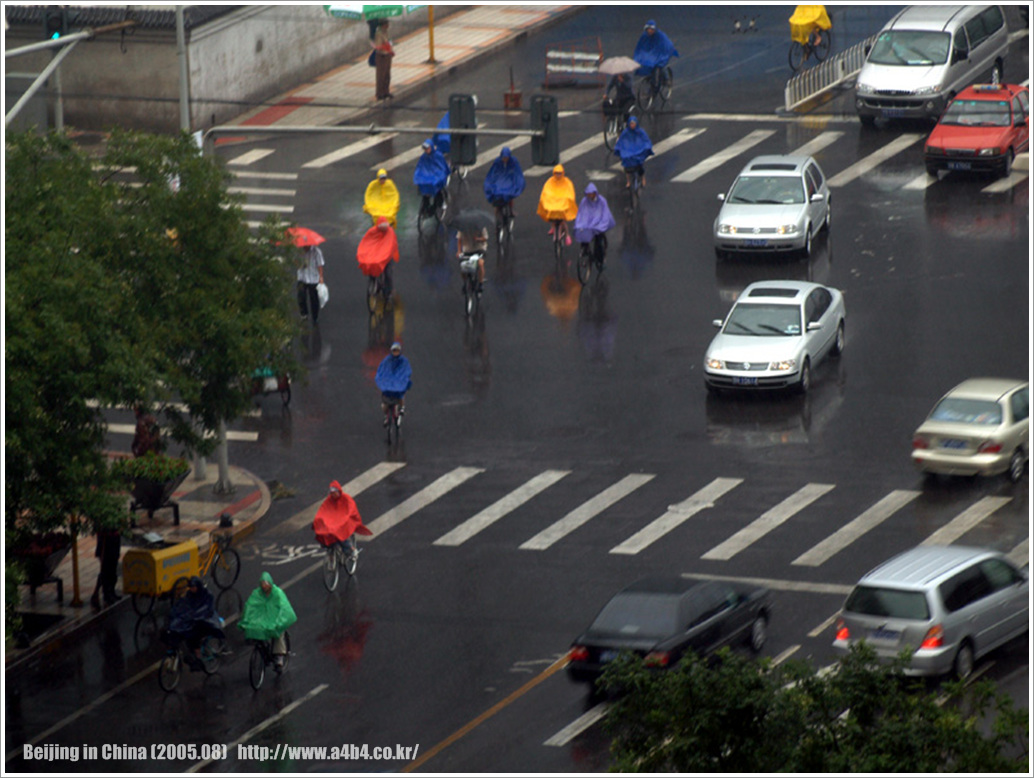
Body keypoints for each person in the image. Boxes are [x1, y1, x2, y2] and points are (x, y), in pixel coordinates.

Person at [164, 577, 225, 670]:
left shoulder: (207, 595)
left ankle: (198, 657)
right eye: (191, 587)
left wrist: (196, 615)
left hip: (205, 621)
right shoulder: (190, 595)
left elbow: (206, 609)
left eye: (193, 587)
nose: (192, 589)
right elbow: (184, 604)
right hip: (193, 620)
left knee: (194, 638)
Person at [239, 571, 297, 670]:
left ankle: (279, 658)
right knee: (255, 629)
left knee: (278, 633)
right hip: (262, 619)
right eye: (263, 584)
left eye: (266, 583)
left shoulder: (277, 593)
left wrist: (279, 621)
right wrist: (246, 620)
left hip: (275, 619)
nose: (264, 586)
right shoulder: (257, 594)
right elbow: (250, 606)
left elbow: (283, 608)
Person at [313, 480, 369, 559]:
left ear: (339, 491)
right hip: (335, 520)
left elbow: (351, 509)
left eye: (335, 492)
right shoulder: (329, 500)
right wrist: (318, 519)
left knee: (340, 534)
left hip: (347, 520)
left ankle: (352, 549)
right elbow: (323, 510)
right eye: (331, 493)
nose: (333, 494)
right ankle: (332, 549)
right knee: (324, 533)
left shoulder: (346, 499)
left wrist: (344, 518)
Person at [573, 183, 617, 266]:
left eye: (590, 194)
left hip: (598, 223)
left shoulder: (602, 201)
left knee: (598, 241)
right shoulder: (584, 201)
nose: (589, 196)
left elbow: (604, 214)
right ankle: (585, 250)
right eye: (588, 194)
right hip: (588, 224)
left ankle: (600, 259)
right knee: (583, 234)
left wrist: (600, 225)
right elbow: (581, 214)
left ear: (595, 193)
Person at [357, 216, 399, 298]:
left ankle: (388, 291)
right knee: (371, 265)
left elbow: (391, 245)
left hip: (387, 256)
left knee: (388, 273)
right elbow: (367, 243)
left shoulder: (390, 233)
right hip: (376, 255)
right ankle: (373, 279)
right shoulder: (372, 232)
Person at [536, 164, 578, 246]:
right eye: (556, 173)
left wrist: (567, 200)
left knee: (562, 220)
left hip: (562, 204)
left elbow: (570, 193)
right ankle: (553, 227)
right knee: (552, 214)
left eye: (559, 173)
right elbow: (546, 192)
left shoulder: (567, 182)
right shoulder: (550, 181)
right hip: (554, 202)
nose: (558, 175)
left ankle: (567, 235)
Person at [633, 20, 679, 92]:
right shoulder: (645, 36)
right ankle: (653, 82)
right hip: (653, 52)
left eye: (651, 30)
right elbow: (641, 47)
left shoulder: (660, 36)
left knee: (658, 65)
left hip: (662, 52)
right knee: (648, 64)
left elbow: (664, 46)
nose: (650, 31)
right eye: (648, 29)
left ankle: (666, 79)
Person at [483, 146, 526, 223]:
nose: (505, 159)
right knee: (496, 199)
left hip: (509, 180)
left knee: (510, 193)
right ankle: (497, 219)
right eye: (503, 158)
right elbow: (493, 173)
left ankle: (511, 209)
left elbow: (517, 173)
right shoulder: (497, 162)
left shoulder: (513, 161)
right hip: (500, 180)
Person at [375, 341, 412, 422]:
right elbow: (382, 370)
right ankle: (386, 415)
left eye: (397, 350)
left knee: (400, 394)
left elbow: (406, 371)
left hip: (398, 382)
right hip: (388, 383)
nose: (396, 352)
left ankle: (402, 408)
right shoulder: (387, 360)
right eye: (394, 351)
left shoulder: (403, 361)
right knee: (385, 402)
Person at [614, 115, 654, 189]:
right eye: (631, 124)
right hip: (629, 151)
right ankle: (628, 181)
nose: (632, 125)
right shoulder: (625, 133)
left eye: (633, 123)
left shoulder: (640, 132)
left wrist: (646, 147)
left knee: (639, 165)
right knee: (626, 164)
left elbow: (646, 140)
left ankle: (643, 178)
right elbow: (621, 141)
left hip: (638, 151)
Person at [413, 139, 450, 218]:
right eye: (425, 149)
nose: (426, 150)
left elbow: (441, 168)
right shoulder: (424, 157)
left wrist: (438, 176)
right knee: (424, 188)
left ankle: (440, 203)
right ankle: (426, 207)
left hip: (436, 177)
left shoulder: (438, 155)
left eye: (428, 148)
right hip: (428, 177)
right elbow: (420, 167)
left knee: (437, 188)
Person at [90, 525, 123, 609]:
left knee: (113, 569)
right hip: (106, 540)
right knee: (105, 570)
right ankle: (106, 595)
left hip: (114, 539)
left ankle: (111, 592)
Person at [296, 243, 325, 322]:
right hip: (302, 277)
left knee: (314, 299)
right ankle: (304, 314)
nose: (305, 247)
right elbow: (295, 262)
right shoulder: (299, 251)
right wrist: (300, 264)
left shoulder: (316, 252)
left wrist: (321, 277)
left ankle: (315, 316)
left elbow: (320, 265)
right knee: (301, 296)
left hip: (313, 278)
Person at [457, 226, 489, 291]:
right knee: (463, 267)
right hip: (467, 250)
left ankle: (480, 284)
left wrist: (478, 239)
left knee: (480, 264)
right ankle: (465, 282)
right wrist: (459, 251)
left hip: (479, 249)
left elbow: (485, 238)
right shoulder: (462, 227)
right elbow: (459, 239)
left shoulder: (481, 226)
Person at [371, 18, 394, 100]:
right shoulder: (379, 34)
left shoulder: (386, 32)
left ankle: (386, 91)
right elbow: (378, 46)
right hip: (381, 56)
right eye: (387, 24)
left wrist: (390, 50)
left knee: (387, 74)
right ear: (383, 25)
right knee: (381, 75)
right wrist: (386, 47)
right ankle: (379, 93)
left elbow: (389, 42)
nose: (388, 25)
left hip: (387, 55)